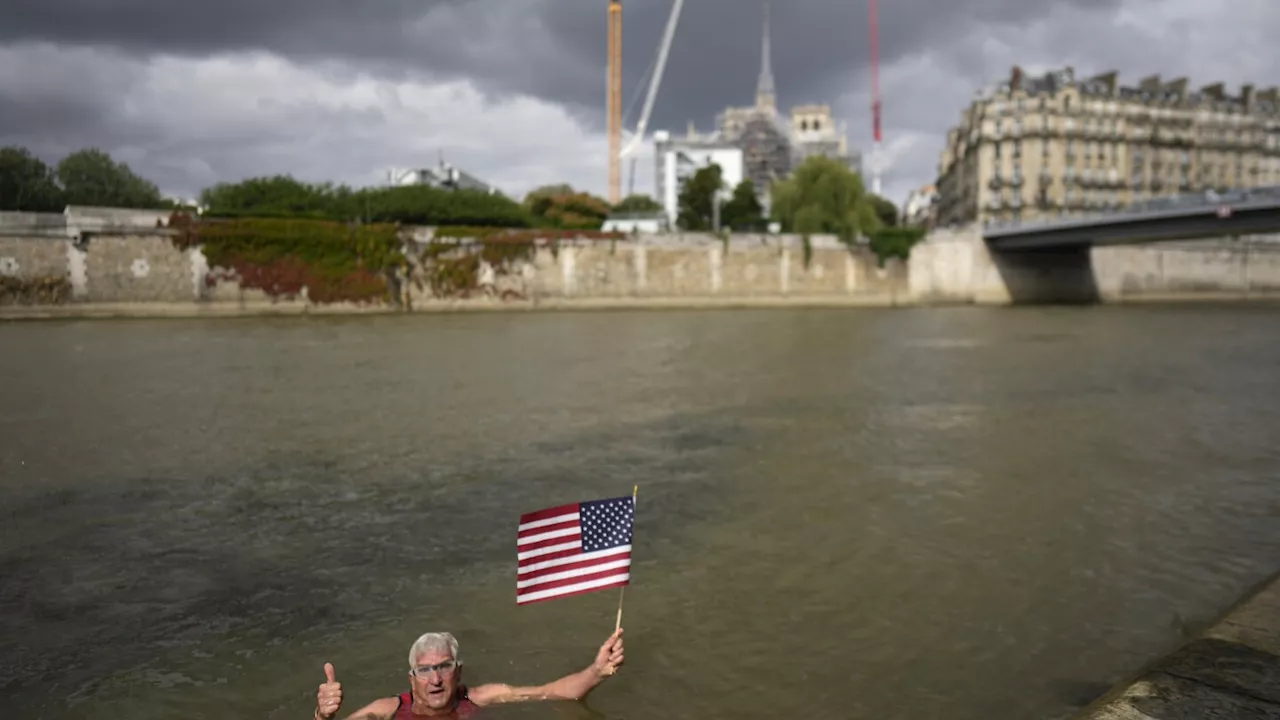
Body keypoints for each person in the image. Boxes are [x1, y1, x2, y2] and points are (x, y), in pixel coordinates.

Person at [314, 628, 624, 719]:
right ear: (411, 678)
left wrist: (596, 672)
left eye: (444, 667)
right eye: (424, 670)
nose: (435, 679)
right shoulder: (388, 711)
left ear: (458, 672)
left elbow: (555, 692)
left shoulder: (480, 698)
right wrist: (322, 716)